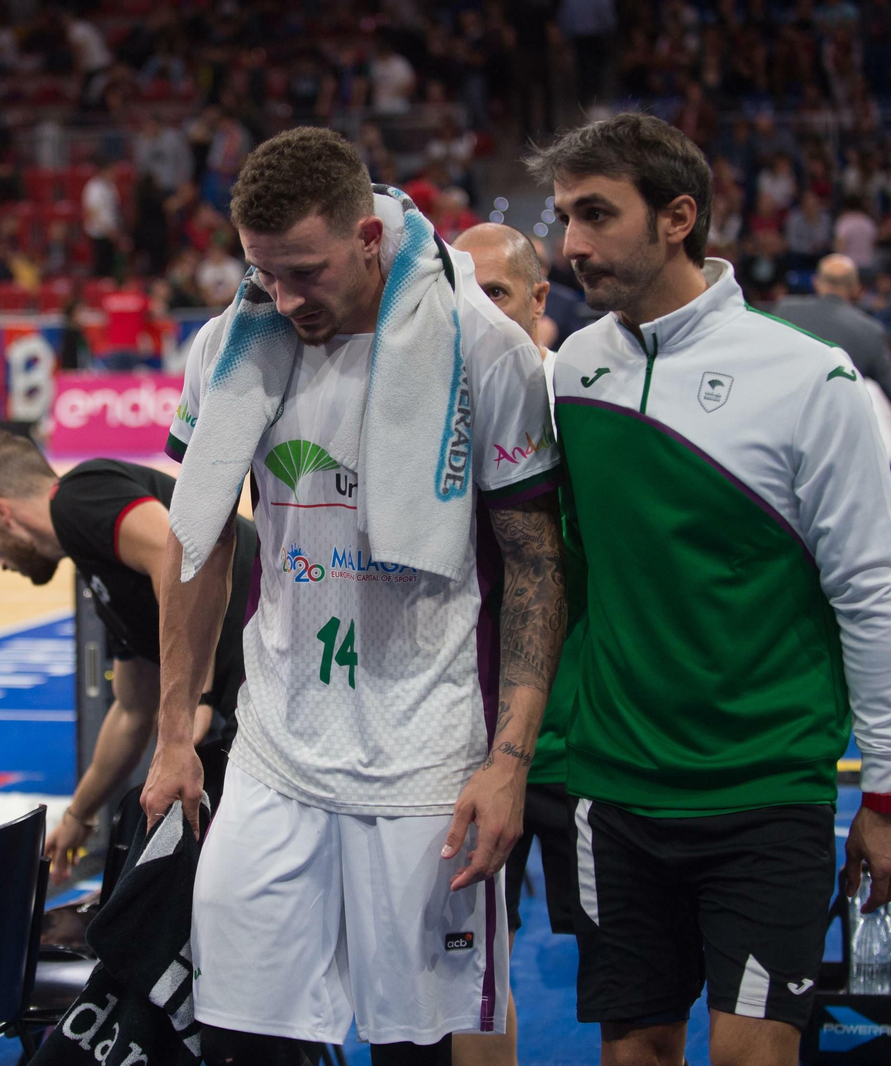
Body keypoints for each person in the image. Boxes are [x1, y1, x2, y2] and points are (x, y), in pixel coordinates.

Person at [148, 127, 566, 1066]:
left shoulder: (483, 348)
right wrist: (176, 736)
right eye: (263, 273)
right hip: (275, 750)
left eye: (304, 271)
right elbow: (198, 541)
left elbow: (536, 565)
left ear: (369, 240)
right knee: (236, 1040)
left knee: (415, 1051)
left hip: (423, 758)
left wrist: (509, 762)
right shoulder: (228, 344)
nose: (282, 297)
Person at [531, 114, 891, 1066]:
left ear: (678, 218)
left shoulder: (807, 379)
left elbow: (868, 593)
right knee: (637, 1054)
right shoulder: (573, 372)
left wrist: (888, 791)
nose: (571, 244)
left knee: (752, 1056)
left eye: (595, 214)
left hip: (763, 790)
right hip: (614, 790)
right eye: (563, 217)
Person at [0, 434, 256, 882]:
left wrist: (198, 699)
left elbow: (180, 553)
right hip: (241, 706)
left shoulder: (78, 495)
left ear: (1, 511)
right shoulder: (100, 569)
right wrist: (78, 815)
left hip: (259, 684)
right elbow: (131, 710)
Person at [449, 223, 576, 1066]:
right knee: (472, 975)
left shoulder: (588, 398)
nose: (473, 312)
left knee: (636, 988)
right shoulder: (436, 411)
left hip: (583, 738)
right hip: (470, 733)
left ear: (540, 301)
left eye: (493, 294)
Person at [773, 254, 891, 477]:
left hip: (778, 440)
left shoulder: (783, 312)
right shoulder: (870, 331)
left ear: (816, 282)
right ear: (855, 288)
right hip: (834, 454)